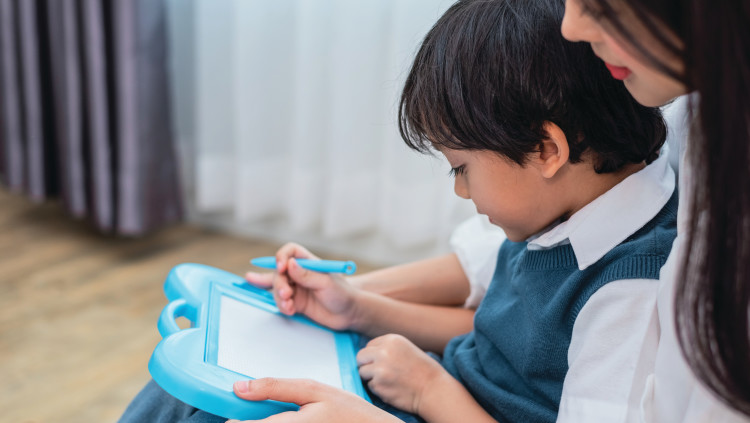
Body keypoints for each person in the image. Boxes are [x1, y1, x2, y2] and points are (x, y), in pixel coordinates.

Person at [118, 0, 676, 421]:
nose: (461, 192)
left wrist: (430, 391)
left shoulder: (630, 290)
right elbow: (492, 328)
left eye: (461, 169)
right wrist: (357, 308)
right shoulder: (565, 209)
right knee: (195, 389)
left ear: (546, 150)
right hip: (429, 385)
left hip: (437, 399)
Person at [558, 0, 750, 421]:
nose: (571, 28)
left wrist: (430, 390)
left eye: (598, 4)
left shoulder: (624, 285)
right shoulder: (697, 115)